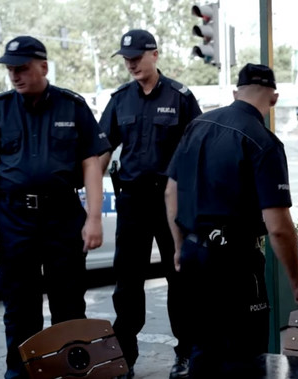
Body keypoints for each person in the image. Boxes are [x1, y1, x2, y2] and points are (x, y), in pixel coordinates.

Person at [0, 35, 110, 379]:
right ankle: (21, 374)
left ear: (43, 67)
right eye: (10, 70)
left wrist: (93, 218)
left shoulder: (71, 106)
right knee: (20, 308)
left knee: (70, 306)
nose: (15, 75)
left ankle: (74, 373)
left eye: (22, 68)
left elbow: (91, 163)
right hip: (15, 221)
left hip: (62, 218)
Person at [164, 63, 298, 378]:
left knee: (201, 349)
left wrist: (179, 247)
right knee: (244, 356)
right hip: (236, 264)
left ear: (235, 93)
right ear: (274, 98)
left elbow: (170, 192)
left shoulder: (197, 125)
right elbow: (279, 228)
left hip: (193, 255)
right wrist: (296, 281)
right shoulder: (263, 142)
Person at [98, 29, 202, 379]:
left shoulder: (180, 97)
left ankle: (186, 353)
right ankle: (123, 357)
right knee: (127, 283)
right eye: (126, 58)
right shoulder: (120, 99)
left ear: (154, 55)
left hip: (171, 202)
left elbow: (197, 151)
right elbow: (102, 149)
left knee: (180, 279)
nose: (130, 64)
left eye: (136, 57)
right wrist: (89, 200)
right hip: (131, 201)